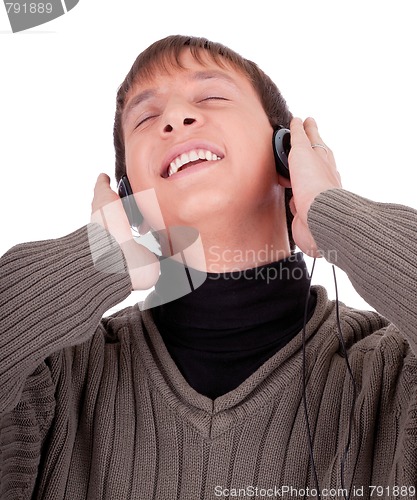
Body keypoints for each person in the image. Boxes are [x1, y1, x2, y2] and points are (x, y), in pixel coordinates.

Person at [0, 35, 416, 500]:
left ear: (287, 154)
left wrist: (334, 214)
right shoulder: (57, 376)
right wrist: (93, 259)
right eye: (147, 117)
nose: (176, 118)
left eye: (212, 96)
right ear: (128, 196)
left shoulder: (393, 372)